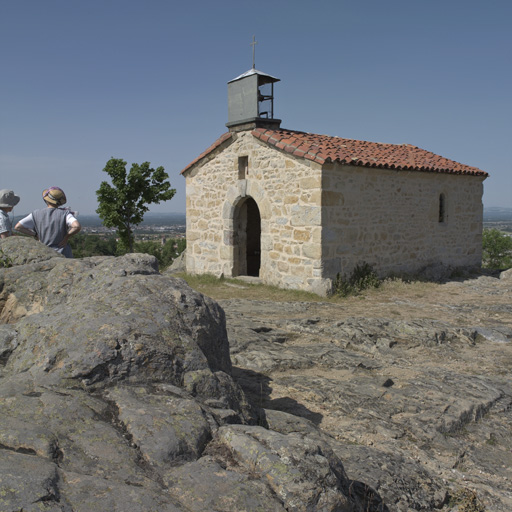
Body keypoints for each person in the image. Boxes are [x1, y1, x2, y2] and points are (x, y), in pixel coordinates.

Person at [15, 187, 81, 258]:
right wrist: (66, 237)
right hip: (63, 253)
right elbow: (76, 226)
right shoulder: (65, 213)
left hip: (44, 252)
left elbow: (18, 227)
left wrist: (35, 235)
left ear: (46, 200)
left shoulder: (36, 214)